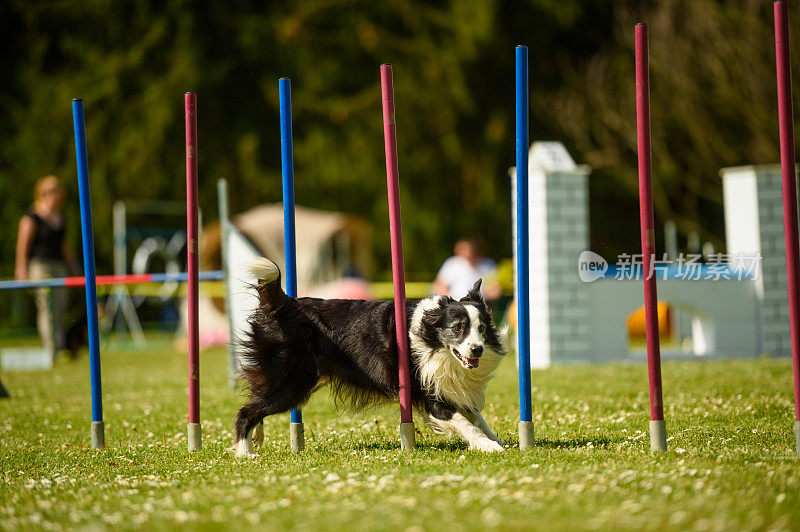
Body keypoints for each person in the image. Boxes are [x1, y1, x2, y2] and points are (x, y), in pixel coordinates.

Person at [14, 175, 78, 356]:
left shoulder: (60, 217)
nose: (59, 195)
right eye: (55, 191)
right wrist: (21, 269)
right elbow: (22, 245)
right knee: (47, 307)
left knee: (60, 306)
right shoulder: (31, 218)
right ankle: (51, 350)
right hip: (40, 266)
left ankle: (58, 346)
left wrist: (73, 264)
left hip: (58, 266)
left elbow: (64, 245)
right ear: (44, 194)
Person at [432, 237, 502, 300]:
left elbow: (496, 290)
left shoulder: (488, 264)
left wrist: (480, 297)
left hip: (480, 305)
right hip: (455, 305)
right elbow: (439, 286)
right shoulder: (452, 264)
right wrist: (450, 301)